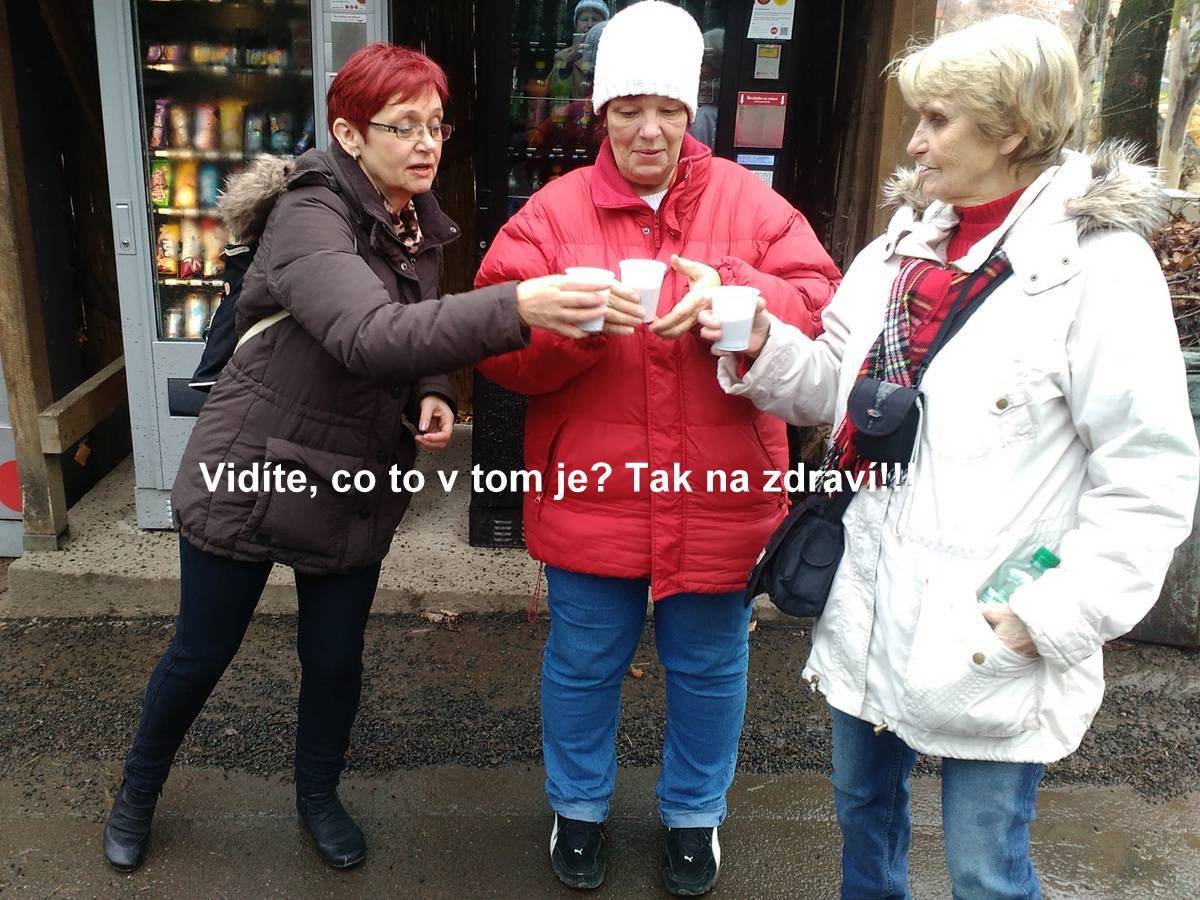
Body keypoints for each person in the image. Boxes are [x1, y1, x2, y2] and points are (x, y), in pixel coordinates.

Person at [711, 16, 1200, 897]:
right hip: (870, 604)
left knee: (984, 870)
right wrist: (761, 341)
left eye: (938, 120)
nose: (915, 142)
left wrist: (1050, 614)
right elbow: (834, 391)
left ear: (1011, 128)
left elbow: (1149, 473)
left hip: (993, 625)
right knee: (863, 826)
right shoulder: (897, 251)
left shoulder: (1099, 269)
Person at [102, 42, 613, 874]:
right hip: (253, 464)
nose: (426, 143)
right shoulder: (311, 213)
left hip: (352, 474)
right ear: (348, 133)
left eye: (436, 126)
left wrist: (435, 389)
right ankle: (136, 792)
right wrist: (517, 305)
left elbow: (417, 322)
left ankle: (318, 795)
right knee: (201, 652)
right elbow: (367, 333)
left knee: (335, 658)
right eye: (403, 126)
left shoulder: (415, 219)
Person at [475, 2, 841, 894]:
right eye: (629, 109)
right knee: (583, 663)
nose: (649, 129)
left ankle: (693, 814)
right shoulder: (552, 214)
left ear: (691, 111)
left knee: (710, 668)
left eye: (668, 109)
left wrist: (744, 298)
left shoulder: (752, 205)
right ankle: (578, 806)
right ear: (601, 113)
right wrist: (566, 327)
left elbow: (823, 306)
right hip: (592, 487)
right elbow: (495, 343)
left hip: (720, 489)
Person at [549, 1, 610, 101]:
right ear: (576, 24)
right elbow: (554, 92)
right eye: (584, 19)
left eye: (595, 20)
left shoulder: (612, 55)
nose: (590, 25)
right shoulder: (563, 56)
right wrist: (570, 59)